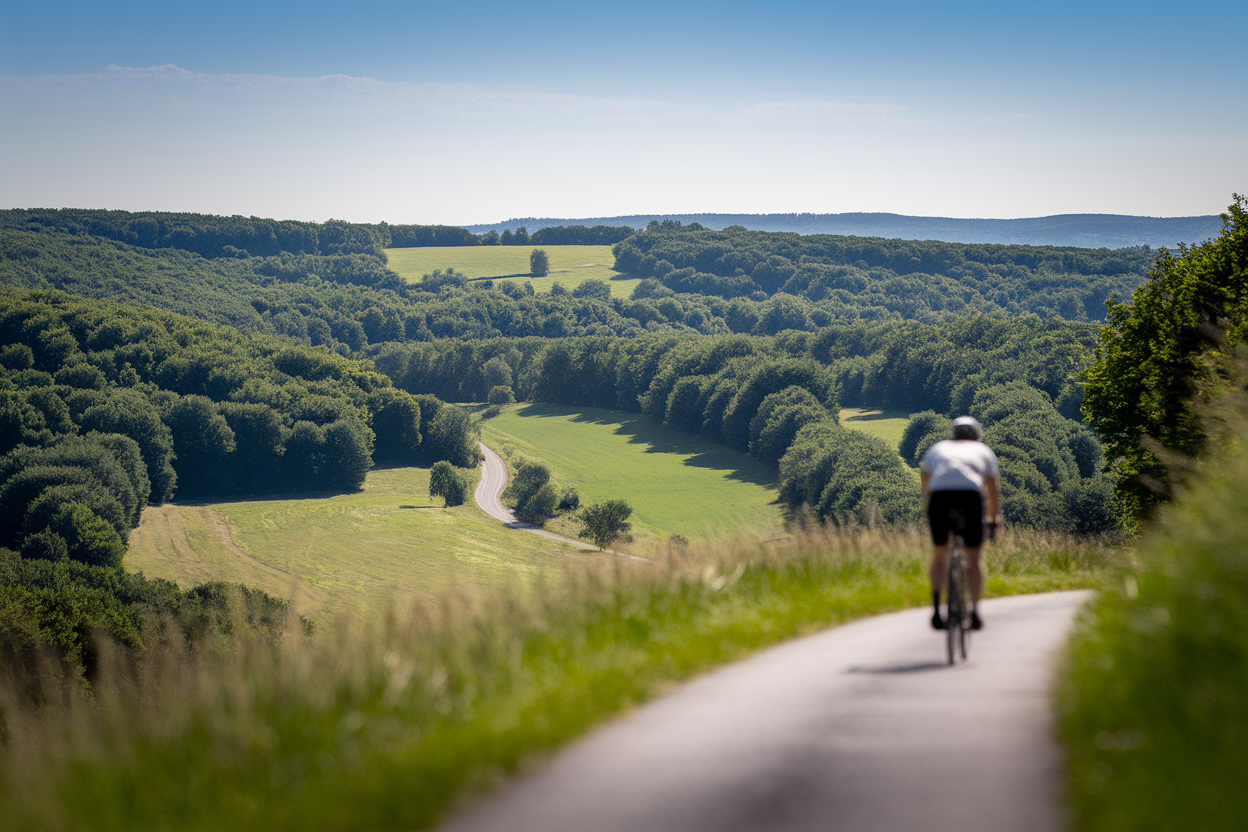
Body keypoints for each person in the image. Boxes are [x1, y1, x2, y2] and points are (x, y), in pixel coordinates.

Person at [920, 416, 1001, 631]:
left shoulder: (938, 448)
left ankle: (937, 611)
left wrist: (928, 507)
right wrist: (993, 519)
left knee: (939, 556)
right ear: (977, 436)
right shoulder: (983, 450)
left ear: (953, 434)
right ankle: (974, 613)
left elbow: (925, 481)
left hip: (940, 497)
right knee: (973, 559)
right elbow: (992, 490)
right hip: (969, 497)